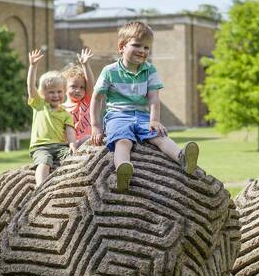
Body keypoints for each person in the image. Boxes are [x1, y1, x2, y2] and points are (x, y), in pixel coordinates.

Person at [89, 21, 199, 192]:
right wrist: (95, 126)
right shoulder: (109, 71)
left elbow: (154, 98)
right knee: (123, 141)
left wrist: (154, 120)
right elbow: (97, 98)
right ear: (122, 46)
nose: (142, 51)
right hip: (117, 115)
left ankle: (182, 157)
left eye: (147, 48)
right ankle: (123, 170)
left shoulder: (150, 70)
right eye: (137, 45)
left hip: (142, 115)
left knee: (160, 136)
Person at [27, 49, 77, 186]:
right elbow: (31, 87)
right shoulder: (39, 104)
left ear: (64, 92)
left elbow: (70, 131)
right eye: (51, 92)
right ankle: (41, 187)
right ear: (43, 93)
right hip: (41, 146)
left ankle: (68, 184)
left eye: (59, 92)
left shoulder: (65, 114)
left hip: (60, 146)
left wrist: (72, 144)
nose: (55, 95)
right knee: (44, 162)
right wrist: (33, 66)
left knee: (73, 159)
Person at [62, 47, 96, 147]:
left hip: (88, 141)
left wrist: (85, 65)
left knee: (88, 138)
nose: (78, 90)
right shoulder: (60, 108)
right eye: (73, 86)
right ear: (64, 87)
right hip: (70, 144)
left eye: (82, 87)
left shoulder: (86, 101)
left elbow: (90, 83)